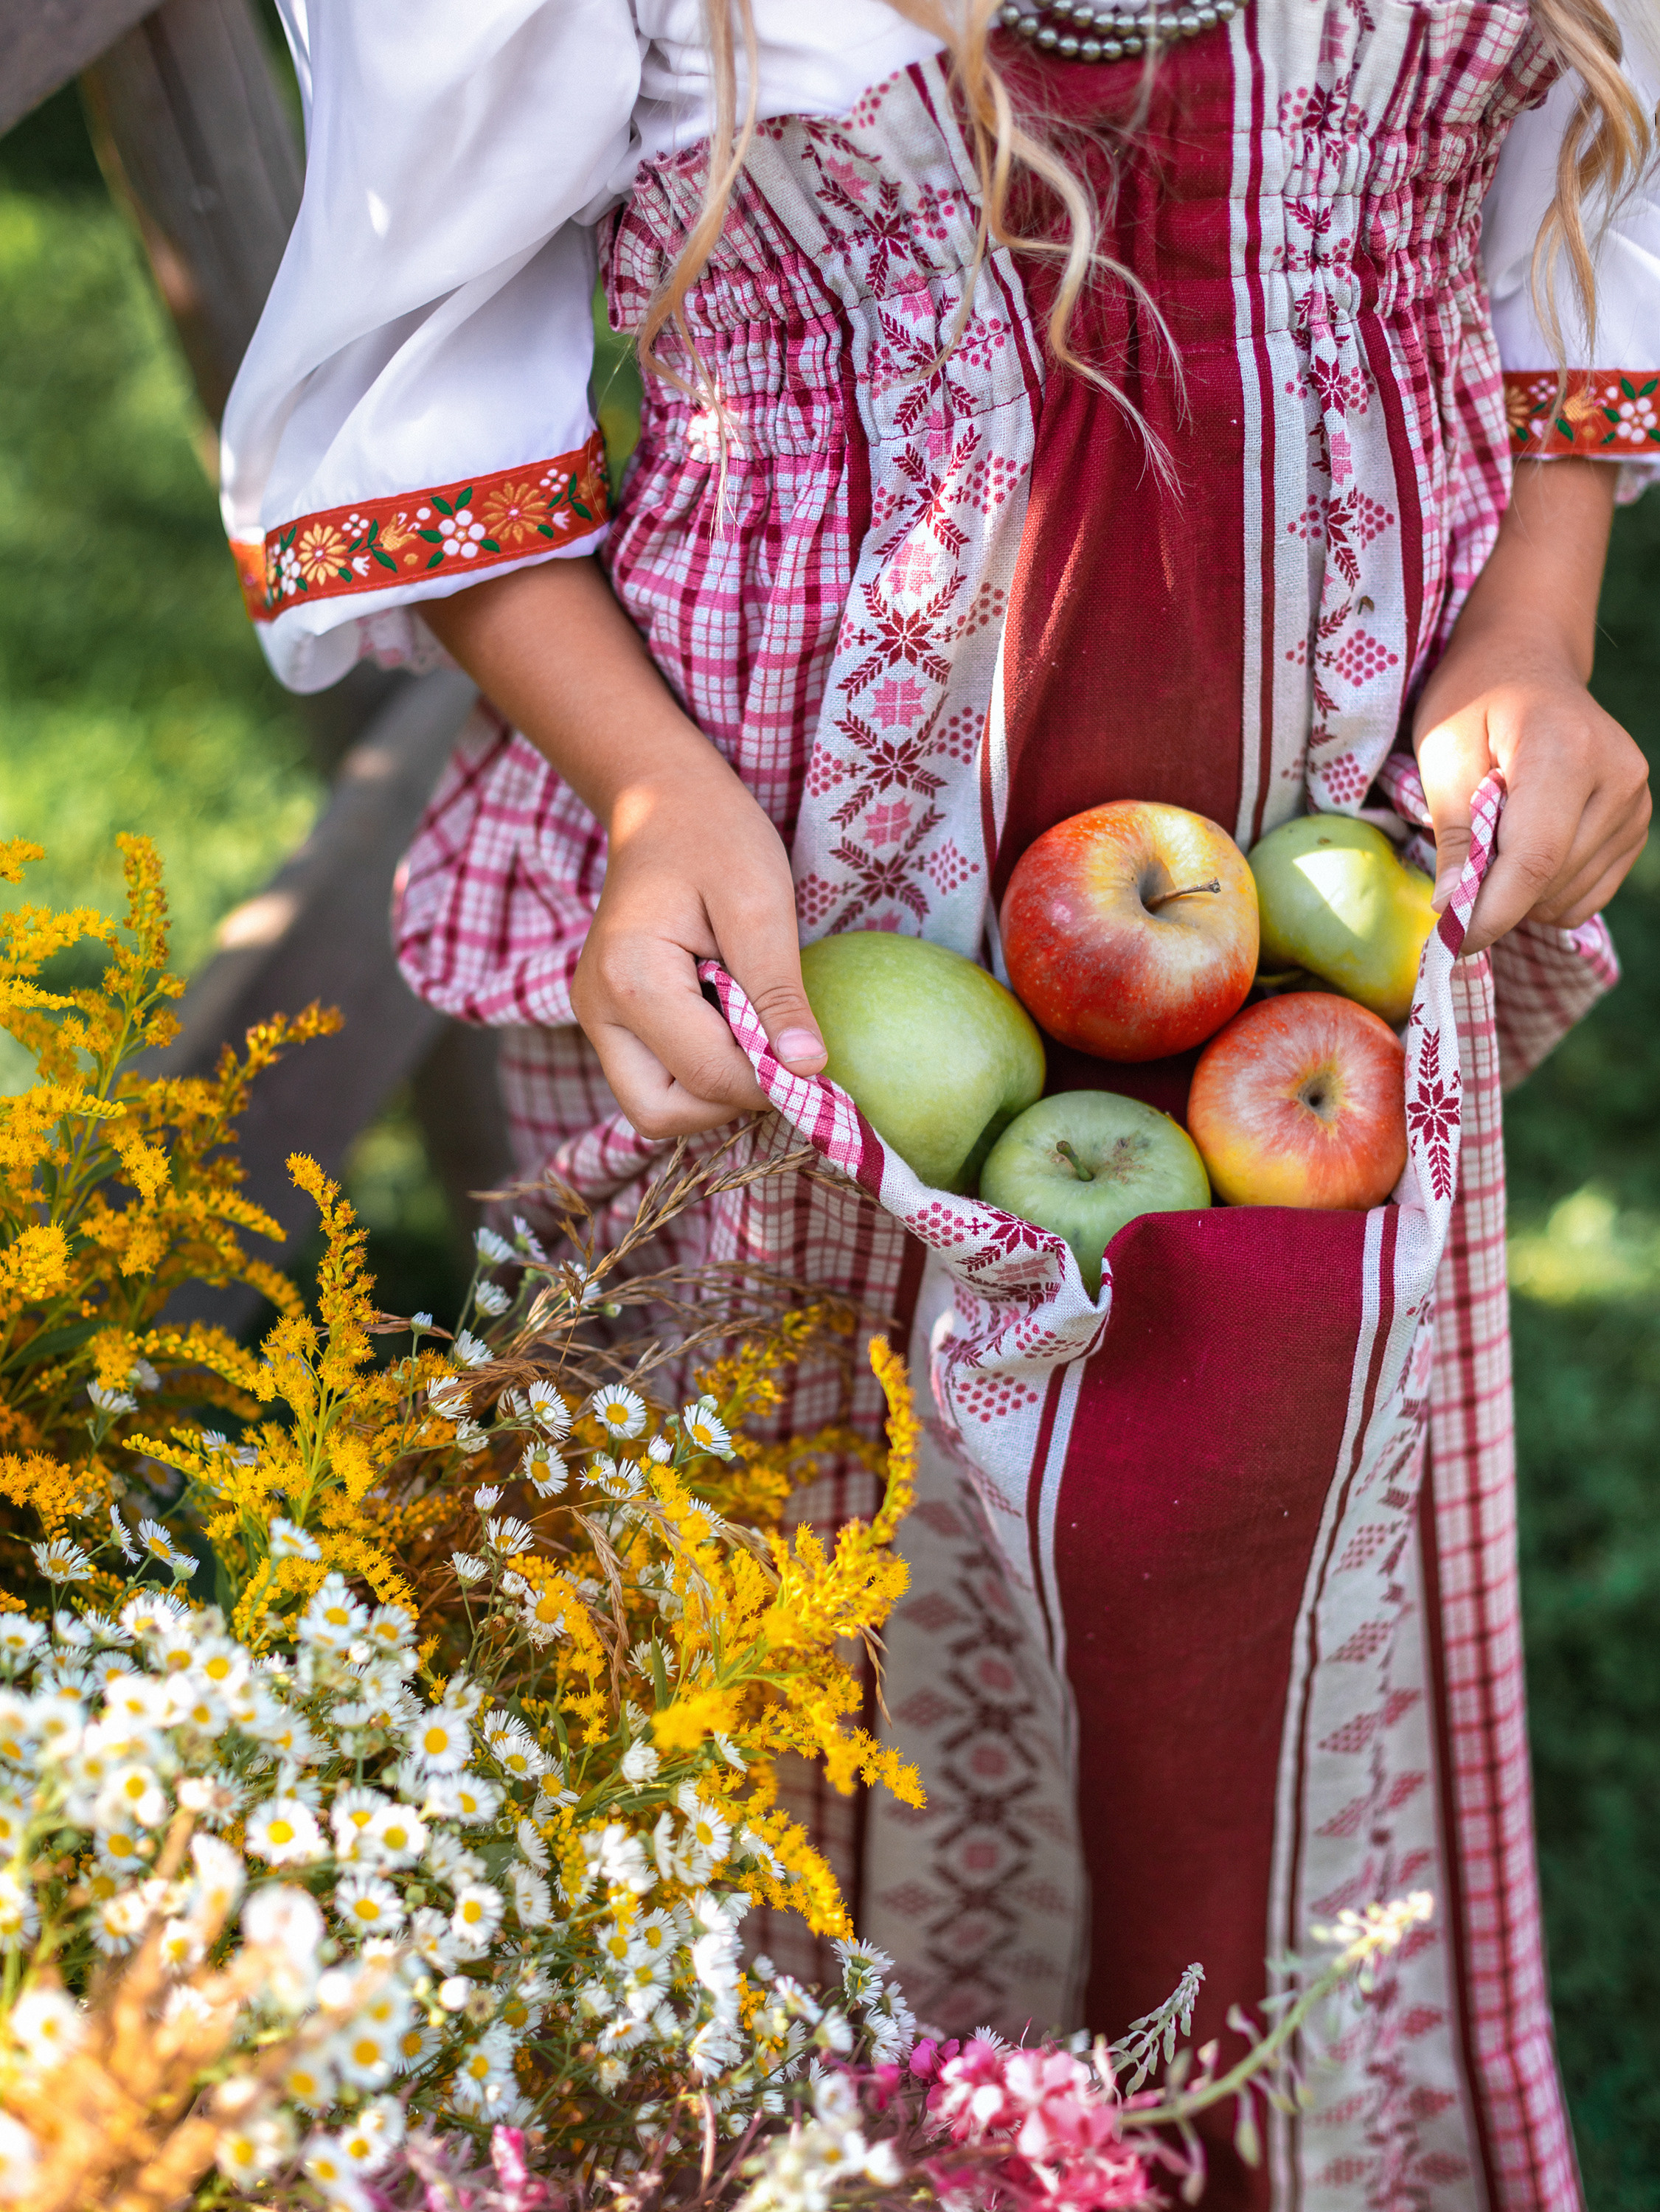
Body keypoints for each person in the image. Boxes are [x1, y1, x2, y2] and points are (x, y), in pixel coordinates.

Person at [223, 4, 1655, 2205]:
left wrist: (1533, 623)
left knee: (1256, 1610)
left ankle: (1254, 2145)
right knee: (791, 1639)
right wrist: (640, 788)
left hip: (1311, 885)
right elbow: (426, 354)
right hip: (800, 901)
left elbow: (1572, 155)